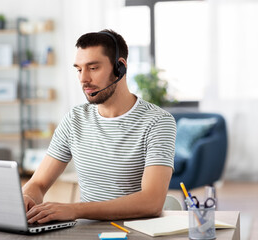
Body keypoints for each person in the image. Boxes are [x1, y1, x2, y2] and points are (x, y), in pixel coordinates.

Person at [23, 29, 176, 224]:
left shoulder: (158, 122)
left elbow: (151, 202)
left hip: (136, 232)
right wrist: (27, 197)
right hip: (87, 231)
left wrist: (74, 210)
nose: (83, 79)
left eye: (93, 68)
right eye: (79, 69)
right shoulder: (74, 119)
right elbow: (38, 183)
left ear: (120, 68)